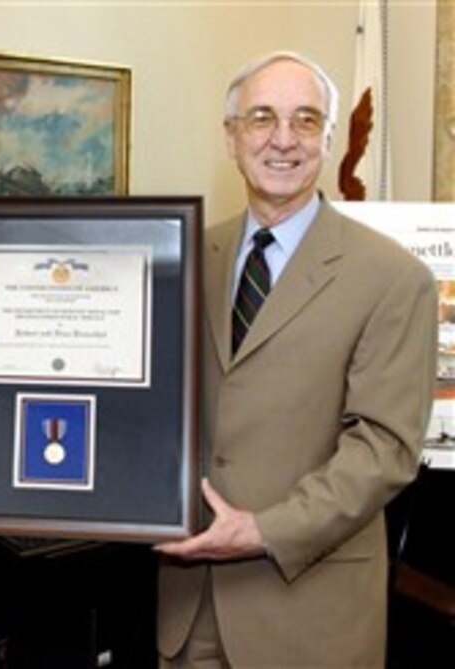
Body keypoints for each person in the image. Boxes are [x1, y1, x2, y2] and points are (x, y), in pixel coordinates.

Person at [155, 51, 437, 667]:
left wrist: (262, 531)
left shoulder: (394, 278)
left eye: (306, 121)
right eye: (261, 118)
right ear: (231, 136)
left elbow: (384, 450)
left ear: (330, 139)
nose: (283, 139)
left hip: (309, 617)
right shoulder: (188, 254)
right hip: (189, 609)